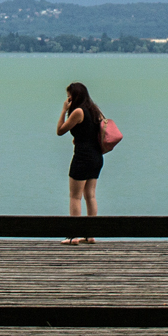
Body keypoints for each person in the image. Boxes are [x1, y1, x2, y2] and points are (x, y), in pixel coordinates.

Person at [56, 81, 104, 244]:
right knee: (90, 195)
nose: (68, 99)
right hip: (96, 157)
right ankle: (90, 234)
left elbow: (60, 130)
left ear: (74, 96)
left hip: (83, 157)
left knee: (75, 197)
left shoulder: (78, 112)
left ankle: (74, 235)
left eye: (69, 96)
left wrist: (63, 110)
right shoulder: (95, 110)